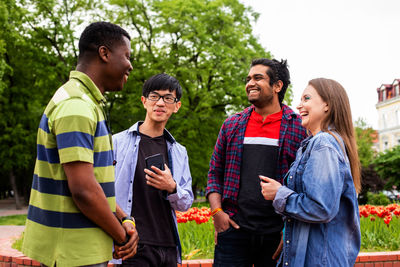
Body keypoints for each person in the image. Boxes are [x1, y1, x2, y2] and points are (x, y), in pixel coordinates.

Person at [22, 22, 138, 267]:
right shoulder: (77, 105)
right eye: (126, 56)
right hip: (73, 253)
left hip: (77, 250)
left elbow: (92, 181)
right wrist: (120, 237)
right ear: (104, 53)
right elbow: (84, 191)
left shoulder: (84, 102)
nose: (130, 64)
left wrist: (123, 216)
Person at [206, 58, 307, 267]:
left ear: (277, 86)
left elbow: (306, 183)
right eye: (248, 78)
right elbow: (215, 173)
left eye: (258, 78)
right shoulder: (232, 125)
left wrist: (290, 231)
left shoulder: (299, 127)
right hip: (233, 232)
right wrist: (217, 213)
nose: (250, 83)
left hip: (277, 235)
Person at [260, 78, 361, 266]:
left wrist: (279, 193)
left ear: (327, 105)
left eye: (306, 98)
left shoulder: (323, 144)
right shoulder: (315, 144)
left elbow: (321, 208)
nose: (299, 105)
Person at [111, 73, 194, 266]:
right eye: (154, 96)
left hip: (169, 246)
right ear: (144, 101)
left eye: (168, 98)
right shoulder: (117, 142)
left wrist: (172, 187)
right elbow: (102, 189)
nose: (160, 103)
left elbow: (186, 203)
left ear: (176, 106)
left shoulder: (179, 151)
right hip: (134, 243)